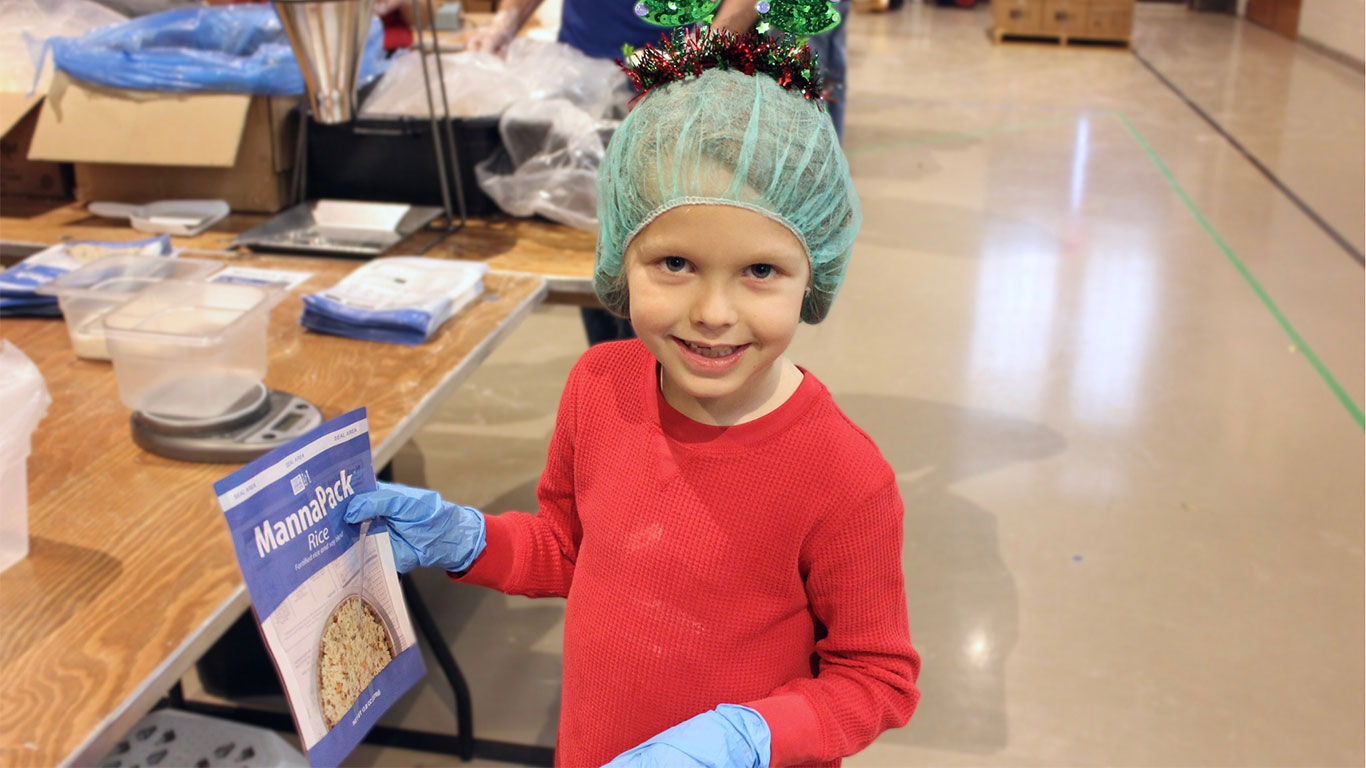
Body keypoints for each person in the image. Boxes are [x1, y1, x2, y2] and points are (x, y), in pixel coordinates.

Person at [344, 20, 919, 767]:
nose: (714, 313)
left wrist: (751, 736)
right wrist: (472, 539)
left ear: (816, 275)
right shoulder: (599, 387)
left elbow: (876, 678)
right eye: (674, 262)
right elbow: (568, 548)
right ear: (621, 256)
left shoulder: (844, 476)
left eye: (761, 272)